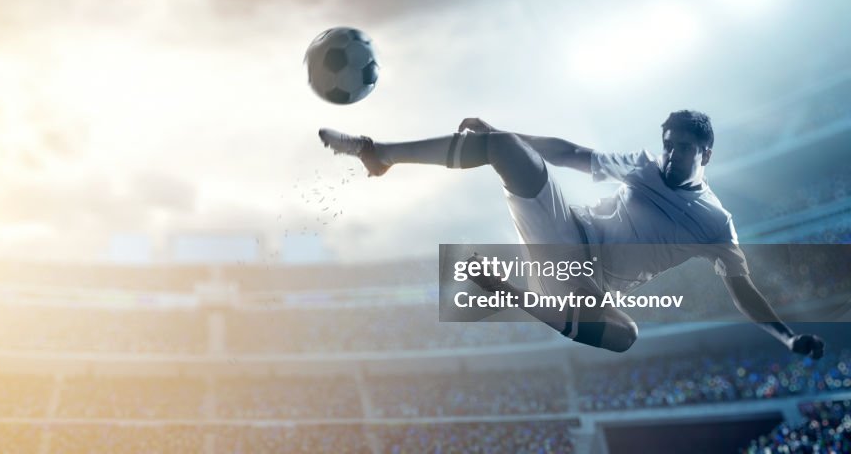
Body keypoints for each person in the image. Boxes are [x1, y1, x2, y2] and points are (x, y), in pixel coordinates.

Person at [318, 110, 825, 357]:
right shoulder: (643, 165)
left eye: (685, 149)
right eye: (668, 144)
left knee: (627, 337)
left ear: (706, 155)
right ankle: (378, 152)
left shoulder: (714, 222)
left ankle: (507, 291)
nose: (671, 155)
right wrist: (501, 134)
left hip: (583, 285)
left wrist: (785, 336)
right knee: (506, 150)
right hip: (563, 228)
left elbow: (743, 289)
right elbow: (568, 153)